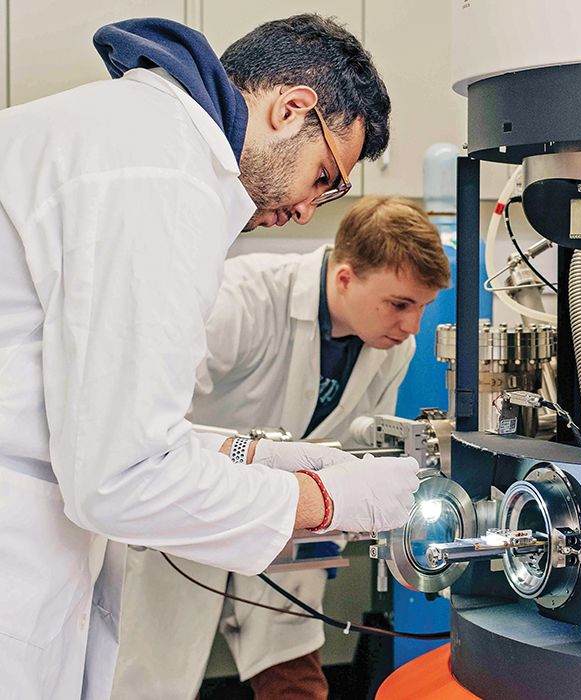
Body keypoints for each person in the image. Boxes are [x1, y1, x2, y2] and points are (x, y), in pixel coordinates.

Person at [0, 15, 420, 700]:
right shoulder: (165, 179)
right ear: (291, 109)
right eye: (326, 177)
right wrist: (324, 498)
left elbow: (86, 411)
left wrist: (252, 455)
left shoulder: (135, 138)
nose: (313, 210)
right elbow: (123, 478)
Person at [110, 197, 451, 700]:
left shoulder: (392, 347)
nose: (412, 326)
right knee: (150, 680)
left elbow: (363, 439)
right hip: (182, 519)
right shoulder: (241, 298)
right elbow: (142, 418)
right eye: (400, 304)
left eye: (421, 307)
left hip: (290, 532)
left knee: (295, 679)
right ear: (345, 277)